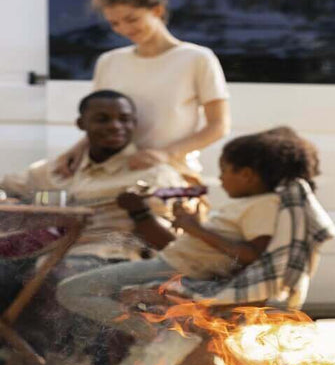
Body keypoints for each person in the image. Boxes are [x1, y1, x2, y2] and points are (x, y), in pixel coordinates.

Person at [56, 127, 320, 349]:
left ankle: (155, 335)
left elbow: (251, 254)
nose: (219, 178)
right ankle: (153, 337)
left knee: (72, 290)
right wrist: (186, 223)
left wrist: (195, 229)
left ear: (247, 175)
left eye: (224, 170)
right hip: (170, 263)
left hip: (173, 268)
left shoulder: (264, 205)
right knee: (78, 289)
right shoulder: (253, 203)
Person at [0, 89, 189, 357]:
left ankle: (59, 363)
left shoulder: (151, 173)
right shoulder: (56, 170)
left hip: (110, 256)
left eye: (125, 119)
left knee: (53, 275)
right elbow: (8, 187)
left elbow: (165, 240)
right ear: (81, 125)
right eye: (103, 119)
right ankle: (16, 355)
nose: (116, 126)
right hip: (44, 250)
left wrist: (140, 212)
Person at [54, 0, 230, 178]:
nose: (124, 29)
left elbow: (218, 126)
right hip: (112, 171)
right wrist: (77, 150)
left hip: (171, 173)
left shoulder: (196, 58)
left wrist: (164, 154)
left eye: (132, 19)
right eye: (115, 23)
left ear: (157, 11)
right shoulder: (109, 61)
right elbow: (100, 121)